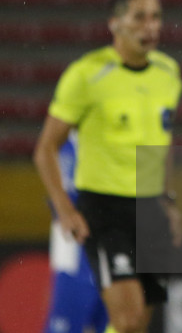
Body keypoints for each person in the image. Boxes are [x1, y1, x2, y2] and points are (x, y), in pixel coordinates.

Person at [34, 0, 182, 333]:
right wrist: (66, 210)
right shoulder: (87, 74)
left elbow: (163, 140)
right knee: (128, 321)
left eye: (156, 17)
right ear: (115, 24)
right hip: (104, 212)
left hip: (150, 212)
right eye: (139, 17)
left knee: (137, 325)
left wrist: (168, 199)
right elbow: (45, 149)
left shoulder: (168, 73)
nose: (150, 26)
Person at [44, 133, 108, 333]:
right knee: (65, 323)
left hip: (111, 243)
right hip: (73, 247)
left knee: (116, 323)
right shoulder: (62, 143)